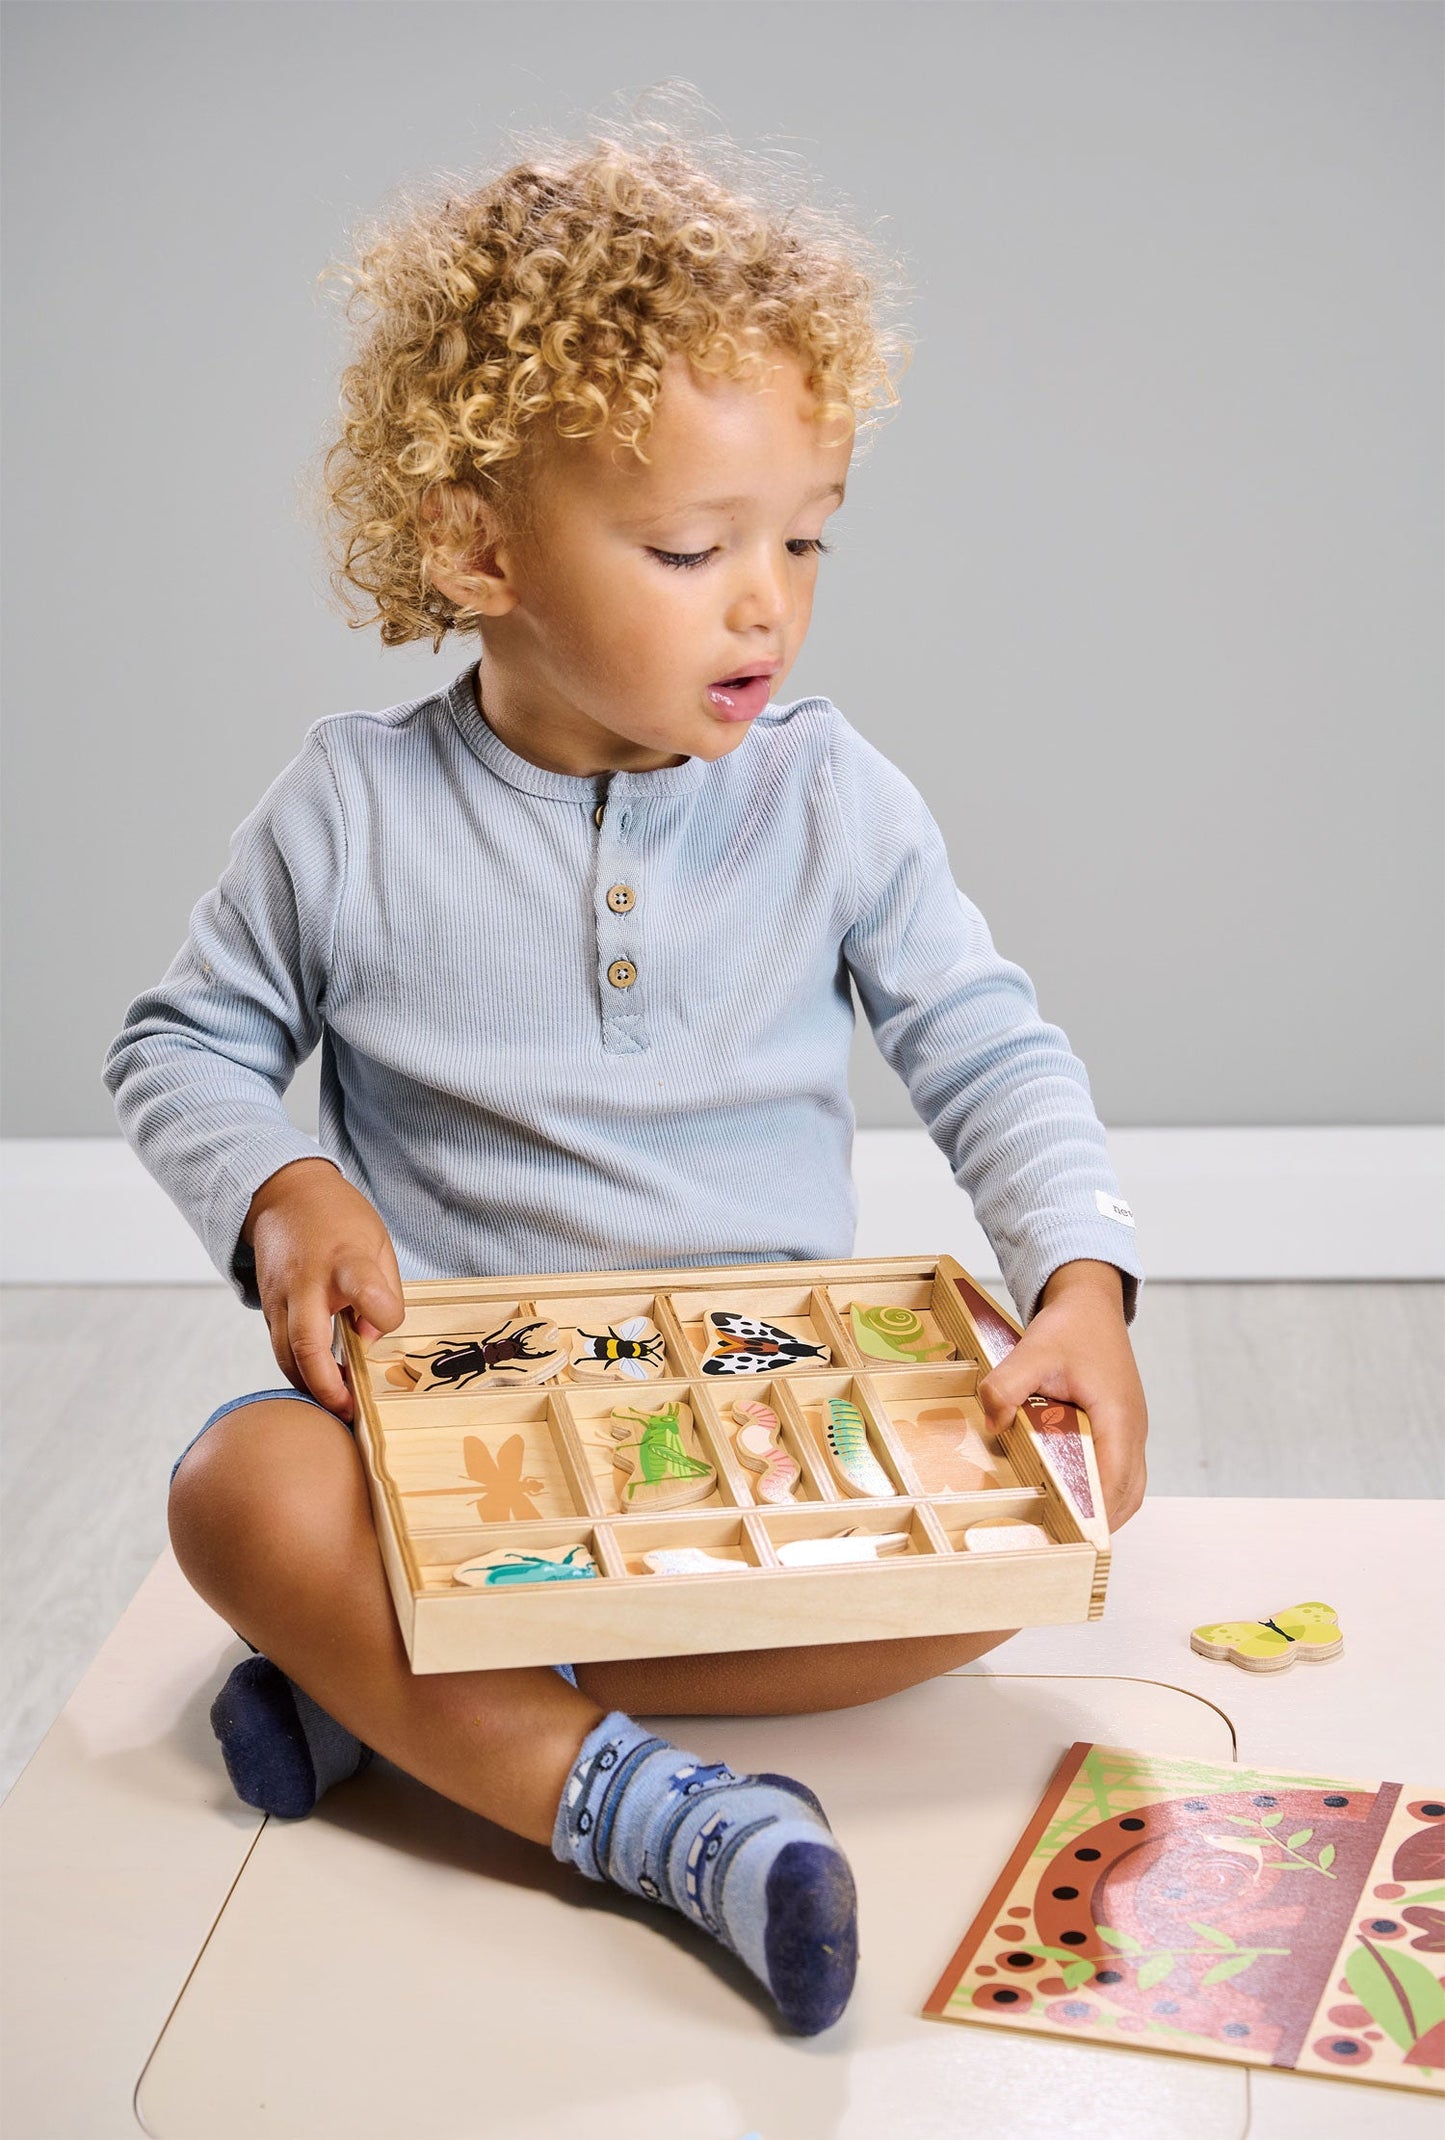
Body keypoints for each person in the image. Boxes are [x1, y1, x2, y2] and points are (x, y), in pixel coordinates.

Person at [104, 117, 1147, 2037]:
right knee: (240, 1491)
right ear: (475, 546)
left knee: (1041, 1533)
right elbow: (181, 1043)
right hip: (450, 1439)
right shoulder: (349, 808)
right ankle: (656, 1818)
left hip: (748, 1416)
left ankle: (400, 1706)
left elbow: (986, 1041)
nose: (767, 600)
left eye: (806, 535)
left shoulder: (831, 795)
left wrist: (1079, 1278)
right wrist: (283, 1188)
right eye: (690, 548)